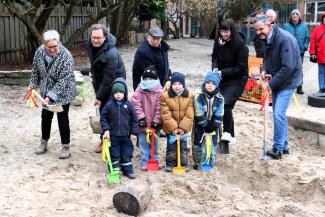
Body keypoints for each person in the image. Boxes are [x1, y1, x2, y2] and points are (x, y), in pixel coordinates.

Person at [253, 14, 302, 159]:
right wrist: (264, 71)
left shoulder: (284, 39)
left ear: (269, 25)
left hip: (289, 81)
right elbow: (267, 57)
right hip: (277, 79)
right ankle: (284, 145)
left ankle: (278, 149)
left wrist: (271, 84)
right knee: (279, 114)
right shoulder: (267, 37)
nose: (258, 33)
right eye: (256, 30)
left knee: (278, 114)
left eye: (260, 29)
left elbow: (289, 67)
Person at [28, 30, 76, 159]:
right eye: (50, 47)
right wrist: (33, 84)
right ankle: (44, 142)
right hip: (45, 90)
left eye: (55, 46)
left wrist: (51, 96)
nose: (53, 49)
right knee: (46, 117)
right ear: (44, 45)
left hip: (63, 92)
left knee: (62, 119)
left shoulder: (66, 56)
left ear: (59, 43)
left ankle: (65, 147)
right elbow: (35, 70)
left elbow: (64, 80)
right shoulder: (39, 52)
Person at [87, 23, 126, 153]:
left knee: (112, 113)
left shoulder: (111, 53)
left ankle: (113, 142)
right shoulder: (91, 45)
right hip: (101, 81)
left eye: (98, 38)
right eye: (93, 37)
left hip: (115, 85)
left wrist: (99, 97)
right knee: (104, 113)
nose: (95, 40)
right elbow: (96, 62)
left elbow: (108, 79)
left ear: (105, 37)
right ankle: (104, 139)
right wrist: (92, 71)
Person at [211, 19, 248, 145]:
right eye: (221, 31)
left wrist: (222, 72)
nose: (224, 34)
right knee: (220, 103)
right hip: (222, 78)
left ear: (232, 30)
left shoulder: (240, 45)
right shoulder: (218, 42)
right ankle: (230, 135)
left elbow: (240, 68)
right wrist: (215, 67)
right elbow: (214, 57)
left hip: (237, 79)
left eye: (226, 31)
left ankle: (227, 132)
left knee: (225, 103)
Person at [100, 78, 138, 179]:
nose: (118, 94)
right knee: (114, 154)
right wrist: (106, 129)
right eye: (116, 92)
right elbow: (103, 118)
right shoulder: (109, 105)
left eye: (120, 92)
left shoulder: (129, 104)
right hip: (113, 135)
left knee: (127, 153)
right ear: (112, 93)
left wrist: (134, 132)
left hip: (126, 135)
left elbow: (135, 119)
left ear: (124, 93)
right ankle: (114, 171)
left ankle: (127, 170)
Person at [131, 65, 163, 171]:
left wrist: (156, 121)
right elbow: (136, 104)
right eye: (146, 79)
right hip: (143, 124)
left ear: (155, 79)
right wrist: (141, 118)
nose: (148, 81)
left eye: (150, 79)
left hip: (155, 124)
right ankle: (144, 161)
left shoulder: (160, 92)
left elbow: (160, 107)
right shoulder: (139, 89)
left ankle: (155, 160)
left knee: (154, 143)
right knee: (143, 143)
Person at [160, 72, 194, 172]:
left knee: (183, 147)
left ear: (183, 84)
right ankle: (170, 164)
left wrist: (183, 127)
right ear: (171, 85)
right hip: (171, 128)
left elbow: (189, 113)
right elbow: (165, 113)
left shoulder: (189, 95)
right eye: (174, 84)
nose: (177, 86)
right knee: (171, 147)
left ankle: (183, 163)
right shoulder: (165, 96)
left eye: (179, 84)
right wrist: (174, 128)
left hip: (184, 128)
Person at [192, 72, 224, 170]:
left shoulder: (220, 98)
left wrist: (214, 125)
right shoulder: (198, 96)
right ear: (204, 83)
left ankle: (210, 162)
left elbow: (219, 113)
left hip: (213, 125)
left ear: (217, 85)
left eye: (213, 83)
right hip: (200, 124)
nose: (210, 85)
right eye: (208, 82)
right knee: (198, 143)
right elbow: (198, 112)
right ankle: (198, 162)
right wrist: (204, 124)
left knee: (213, 143)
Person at [132, 26, 170, 90]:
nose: (156, 41)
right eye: (153, 38)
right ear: (148, 37)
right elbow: (141, 74)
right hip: (148, 89)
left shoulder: (163, 47)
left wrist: (168, 77)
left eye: (158, 39)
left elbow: (165, 65)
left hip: (162, 86)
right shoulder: (142, 52)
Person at [283, 9, 310, 94]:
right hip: (288, 52)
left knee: (299, 69)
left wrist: (305, 47)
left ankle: (299, 86)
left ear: (299, 16)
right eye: (293, 14)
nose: (294, 15)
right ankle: (288, 86)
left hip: (300, 52)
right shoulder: (286, 26)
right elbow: (282, 38)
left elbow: (307, 37)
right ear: (291, 16)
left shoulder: (304, 26)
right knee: (288, 68)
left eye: (296, 14)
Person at [309, 12, 325, 93]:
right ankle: (322, 87)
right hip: (321, 54)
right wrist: (312, 53)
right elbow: (312, 41)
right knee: (321, 72)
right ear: (322, 19)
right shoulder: (317, 29)